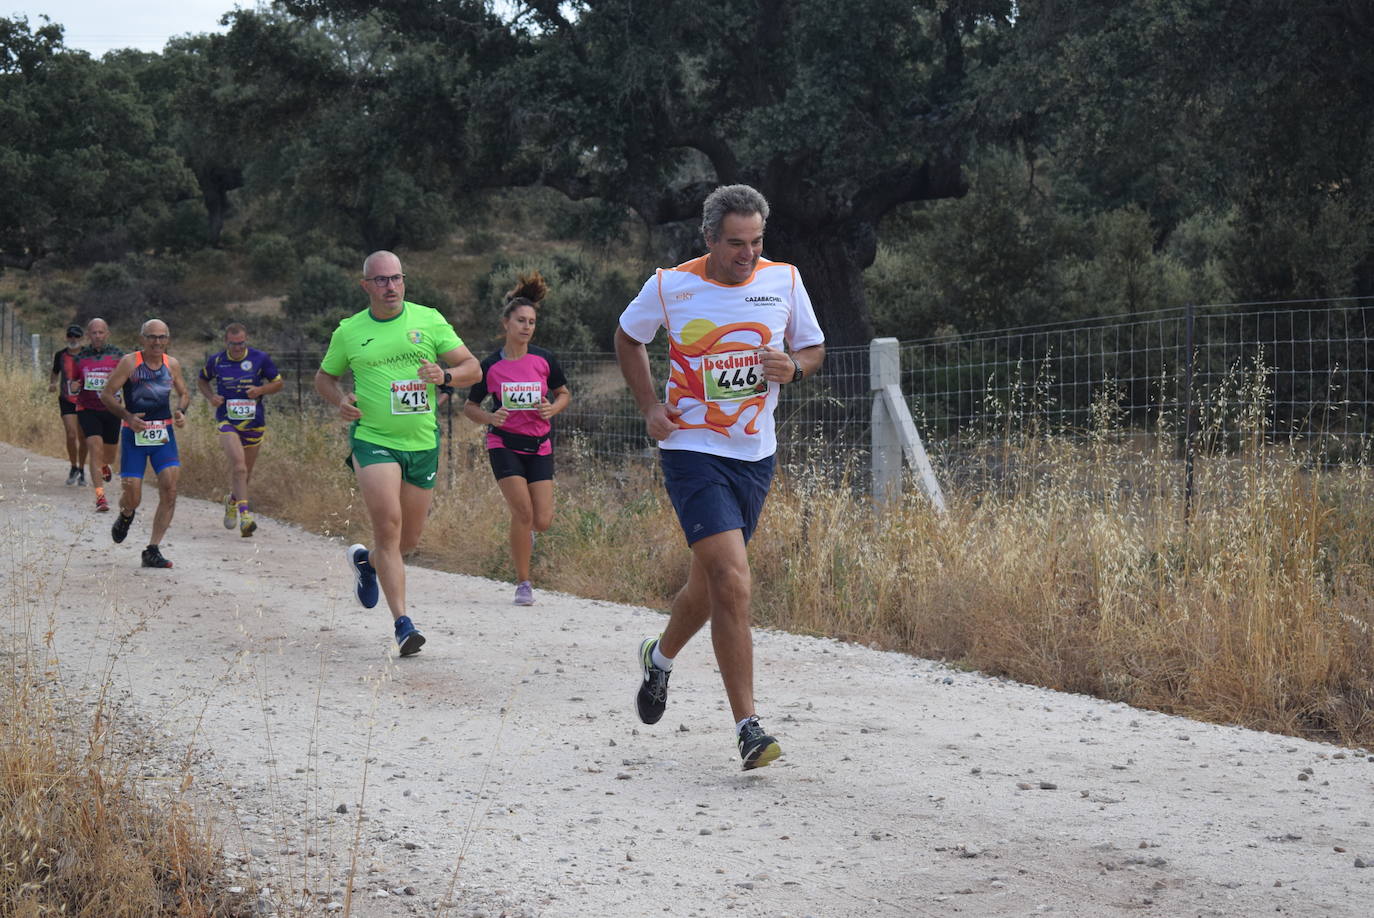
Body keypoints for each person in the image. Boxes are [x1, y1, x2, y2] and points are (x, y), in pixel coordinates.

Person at [615, 184, 826, 770]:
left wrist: (796, 367)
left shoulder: (784, 279)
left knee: (707, 589)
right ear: (709, 238)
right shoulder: (670, 285)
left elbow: (812, 348)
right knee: (733, 582)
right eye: (736, 243)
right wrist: (650, 407)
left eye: (757, 242)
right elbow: (628, 337)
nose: (748, 254)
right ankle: (748, 727)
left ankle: (658, 658)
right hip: (691, 448)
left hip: (755, 455)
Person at [315, 250, 480, 656]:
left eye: (396, 279)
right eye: (381, 280)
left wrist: (446, 376)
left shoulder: (428, 319)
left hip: (422, 442)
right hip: (373, 439)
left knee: (405, 541)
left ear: (404, 281)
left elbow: (473, 367)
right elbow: (324, 377)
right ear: (366, 285)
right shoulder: (350, 331)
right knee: (388, 525)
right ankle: (403, 625)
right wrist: (340, 401)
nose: (390, 287)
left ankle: (367, 562)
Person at [462, 272, 572, 606]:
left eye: (532, 322)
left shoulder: (543, 359)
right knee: (523, 514)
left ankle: (526, 536)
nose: (527, 327)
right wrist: (490, 418)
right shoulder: (490, 366)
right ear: (506, 323)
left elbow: (564, 393)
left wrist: (552, 409)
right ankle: (523, 583)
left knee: (542, 520)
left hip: (539, 445)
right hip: (504, 444)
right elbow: (469, 406)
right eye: (521, 321)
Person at [101, 319, 190, 569]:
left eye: (162, 337)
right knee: (133, 496)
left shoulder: (171, 364)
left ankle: (152, 549)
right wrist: (128, 416)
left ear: (168, 339)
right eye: (152, 337)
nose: (157, 342)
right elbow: (106, 395)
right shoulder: (130, 362)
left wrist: (181, 411)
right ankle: (126, 513)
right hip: (134, 435)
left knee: (170, 489)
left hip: (163, 434)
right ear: (142, 339)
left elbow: (184, 392)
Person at [197, 323, 285, 537]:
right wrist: (211, 397)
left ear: (246, 341)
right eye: (233, 344)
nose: (237, 348)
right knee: (239, 468)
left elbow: (278, 383)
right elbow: (202, 380)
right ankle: (245, 517)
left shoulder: (260, 358)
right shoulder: (217, 360)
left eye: (241, 343)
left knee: (245, 475)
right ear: (226, 342)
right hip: (227, 421)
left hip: (254, 422)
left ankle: (232, 501)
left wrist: (261, 389)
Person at [73, 318, 125, 512]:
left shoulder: (118, 356)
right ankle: (100, 497)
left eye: (101, 332)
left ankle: (105, 466)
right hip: (88, 409)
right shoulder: (80, 357)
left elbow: (127, 379)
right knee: (95, 448)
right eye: (93, 333)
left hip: (111, 410)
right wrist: (74, 386)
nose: (97, 336)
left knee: (109, 455)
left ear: (107, 333)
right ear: (88, 335)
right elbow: (73, 382)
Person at [49, 324, 88, 485]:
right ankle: (73, 467)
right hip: (67, 400)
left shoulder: (88, 354)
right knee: (71, 435)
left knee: (83, 437)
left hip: (86, 400)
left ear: (81, 338)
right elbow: (55, 372)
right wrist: (52, 383)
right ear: (66, 337)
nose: (73, 339)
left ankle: (82, 469)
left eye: (77, 336)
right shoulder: (60, 355)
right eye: (71, 336)